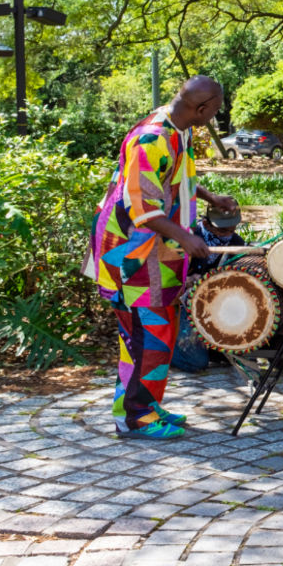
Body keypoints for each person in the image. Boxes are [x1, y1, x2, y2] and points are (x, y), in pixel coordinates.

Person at [83, 75, 237, 440]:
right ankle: (135, 417)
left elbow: (170, 178)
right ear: (202, 108)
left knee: (157, 333)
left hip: (156, 252)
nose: (216, 116)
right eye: (215, 110)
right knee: (146, 336)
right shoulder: (151, 138)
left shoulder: (176, 127)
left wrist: (210, 198)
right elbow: (143, 208)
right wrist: (187, 237)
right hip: (130, 255)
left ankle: (144, 405)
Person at [171, 206, 246, 373]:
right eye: (224, 230)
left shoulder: (237, 243)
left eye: (233, 228)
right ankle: (167, 350)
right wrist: (185, 281)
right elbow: (164, 271)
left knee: (232, 355)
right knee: (195, 363)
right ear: (206, 223)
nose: (229, 234)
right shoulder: (188, 236)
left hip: (215, 305)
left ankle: (209, 347)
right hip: (182, 302)